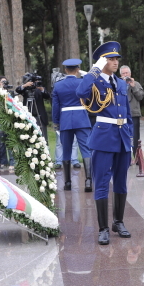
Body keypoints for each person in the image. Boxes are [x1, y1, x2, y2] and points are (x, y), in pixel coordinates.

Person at [76, 41, 133, 245]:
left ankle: (118, 222)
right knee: (101, 183)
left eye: (116, 58)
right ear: (102, 61)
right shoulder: (96, 81)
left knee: (120, 182)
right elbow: (80, 93)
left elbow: (128, 113)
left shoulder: (122, 83)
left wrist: (131, 140)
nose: (115, 62)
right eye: (110, 59)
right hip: (103, 137)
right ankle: (103, 228)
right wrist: (94, 70)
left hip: (122, 137)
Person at [52, 58, 93, 192]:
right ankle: (88, 181)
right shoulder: (82, 82)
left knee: (66, 151)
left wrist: (56, 122)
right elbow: (91, 98)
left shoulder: (58, 85)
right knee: (86, 149)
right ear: (77, 70)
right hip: (81, 118)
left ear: (65, 70)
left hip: (66, 120)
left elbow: (55, 107)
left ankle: (68, 182)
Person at [16, 73, 50, 142]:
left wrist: (41, 89)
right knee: (29, 138)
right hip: (28, 117)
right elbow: (18, 90)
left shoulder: (40, 89)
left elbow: (47, 96)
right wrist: (25, 86)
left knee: (43, 139)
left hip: (40, 117)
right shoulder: (25, 89)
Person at [120, 65, 144, 162]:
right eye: (123, 73)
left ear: (130, 74)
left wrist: (133, 86)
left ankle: (137, 158)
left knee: (134, 137)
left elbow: (140, 97)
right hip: (122, 115)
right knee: (123, 137)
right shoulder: (118, 84)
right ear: (120, 75)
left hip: (133, 114)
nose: (125, 75)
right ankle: (126, 158)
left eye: (127, 73)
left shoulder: (136, 84)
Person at [0, 76, 16, 170]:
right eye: (2, 82)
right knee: (1, 142)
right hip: (0, 119)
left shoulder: (10, 92)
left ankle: (12, 162)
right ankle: (3, 162)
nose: (4, 83)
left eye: (5, 82)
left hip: (9, 119)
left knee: (10, 141)